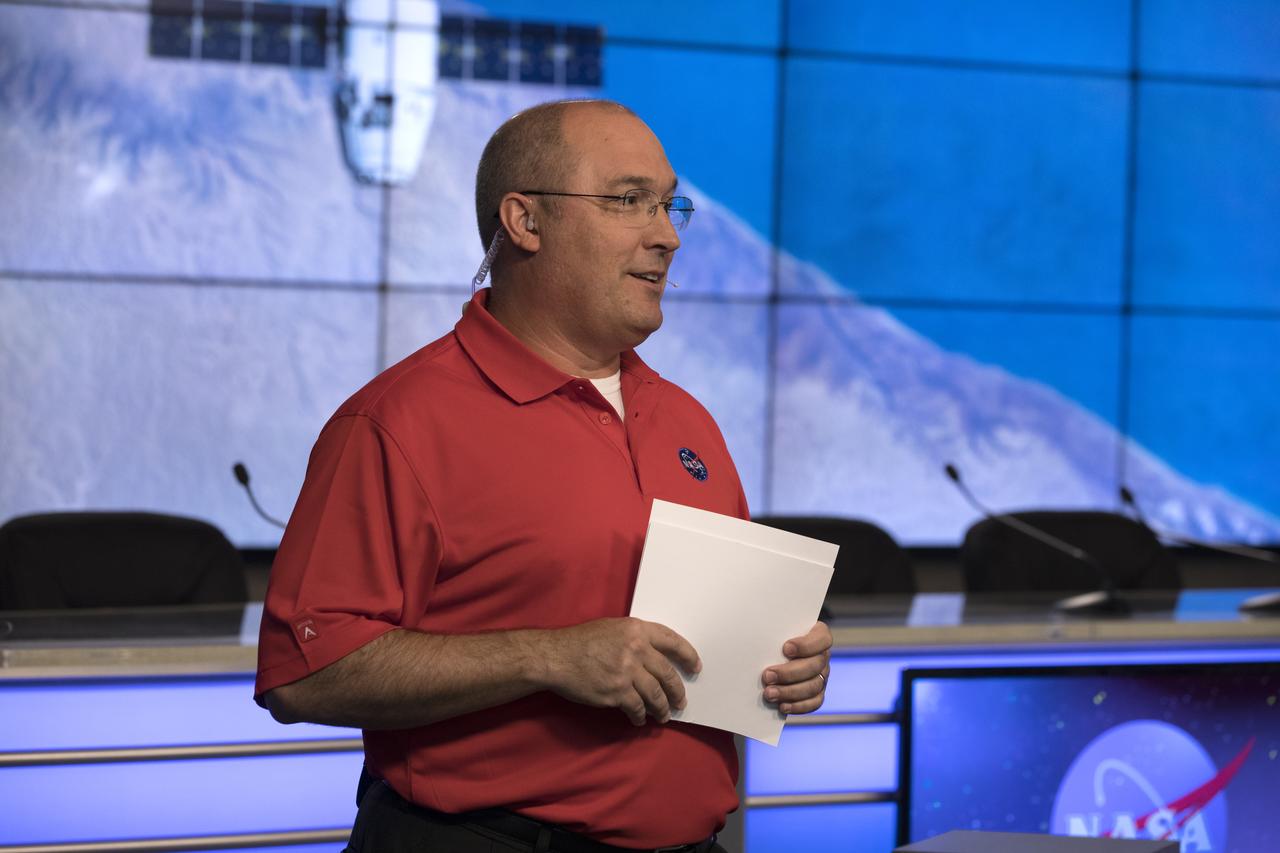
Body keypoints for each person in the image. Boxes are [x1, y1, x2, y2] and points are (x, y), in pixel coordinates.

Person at [254, 99, 832, 853]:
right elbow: (304, 672)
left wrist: (786, 666)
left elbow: (707, 646)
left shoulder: (691, 423)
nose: (666, 235)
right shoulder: (397, 422)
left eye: (669, 205)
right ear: (525, 222)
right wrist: (547, 655)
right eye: (628, 202)